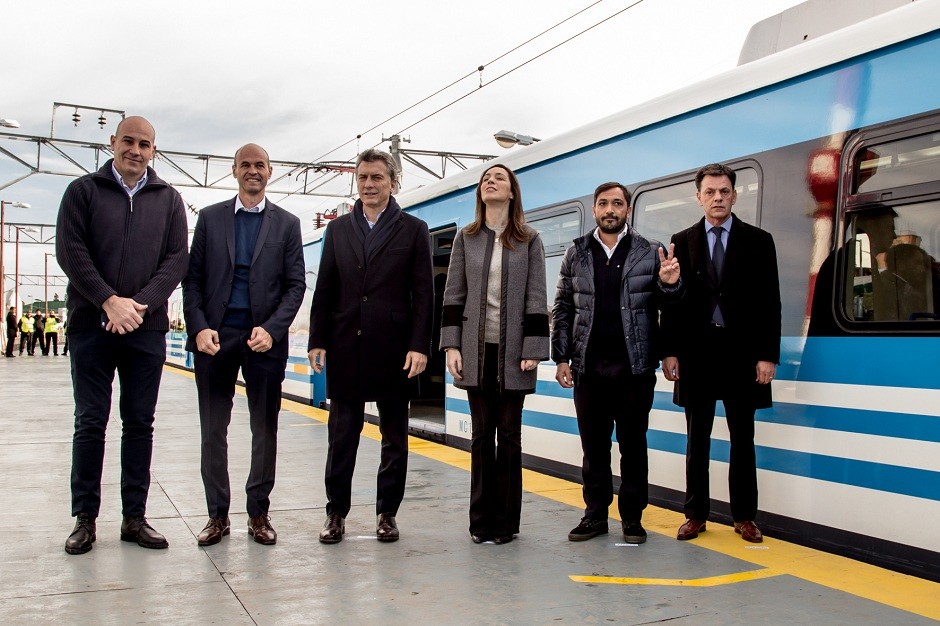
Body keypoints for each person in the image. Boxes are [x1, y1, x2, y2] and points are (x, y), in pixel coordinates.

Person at [56, 116, 189, 555]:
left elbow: (176, 260)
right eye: (128, 141)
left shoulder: (169, 199)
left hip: (145, 330)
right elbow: (71, 251)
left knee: (139, 424)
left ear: (154, 150)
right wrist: (108, 301)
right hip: (91, 326)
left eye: (144, 144)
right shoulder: (82, 192)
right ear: (112, 143)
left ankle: (134, 518)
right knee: (90, 422)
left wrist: (139, 305)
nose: (135, 149)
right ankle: (85, 519)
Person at [183, 143, 305, 547]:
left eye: (260, 165)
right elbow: (192, 280)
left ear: (270, 171)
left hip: (263, 341)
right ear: (234, 170)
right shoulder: (210, 218)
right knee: (212, 430)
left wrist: (272, 328)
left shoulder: (287, 224)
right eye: (245, 165)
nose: (253, 171)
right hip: (215, 340)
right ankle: (217, 516)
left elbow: (295, 286)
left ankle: (258, 513)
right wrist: (199, 328)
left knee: (264, 429)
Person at [308, 148, 433, 544]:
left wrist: (419, 345)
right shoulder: (338, 230)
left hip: (395, 349)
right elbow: (325, 288)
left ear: (393, 183)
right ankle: (335, 513)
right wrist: (317, 339)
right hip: (346, 344)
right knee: (341, 436)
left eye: (377, 177)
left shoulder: (413, 229)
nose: (368, 184)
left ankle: (387, 514)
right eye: (362, 177)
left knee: (394, 437)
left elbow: (423, 294)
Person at [552, 182, 682, 545]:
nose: (610, 209)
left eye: (617, 203)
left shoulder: (649, 251)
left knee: (633, 446)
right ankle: (595, 515)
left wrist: (670, 285)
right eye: (604, 203)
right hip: (588, 368)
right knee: (593, 448)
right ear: (594, 209)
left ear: (628, 209)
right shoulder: (576, 253)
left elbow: (669, 308)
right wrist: (561, 356)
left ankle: (632, 518)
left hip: (634, 369)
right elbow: (563, 308)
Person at [661, 163, 781, 544]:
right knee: (697, 441)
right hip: (696, 358)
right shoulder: (681, 241)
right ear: (698, 197)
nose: (718, 198)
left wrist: (768, 355)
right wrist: (670, 351)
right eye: (710, 192)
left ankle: (744, 517)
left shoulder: (759, 241)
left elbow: (770, 302)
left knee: (743, 440)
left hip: (743, 358)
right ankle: (695, 514)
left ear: (735, 195)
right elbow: (673, 302)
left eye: (724, 191)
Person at [440, 164, 549, 544]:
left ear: (512, 191)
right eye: (486, 178)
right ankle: (480, 522)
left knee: (511, 436)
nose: (491, 181)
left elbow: (537, 294)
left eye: (499, 177)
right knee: (482, 436)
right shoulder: (466, 238)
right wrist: (451, 345)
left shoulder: (530, 239)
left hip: (515, 354)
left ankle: (505, 524)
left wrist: (533, 347)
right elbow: (453, 294)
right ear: (480, 193)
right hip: (476, 352)